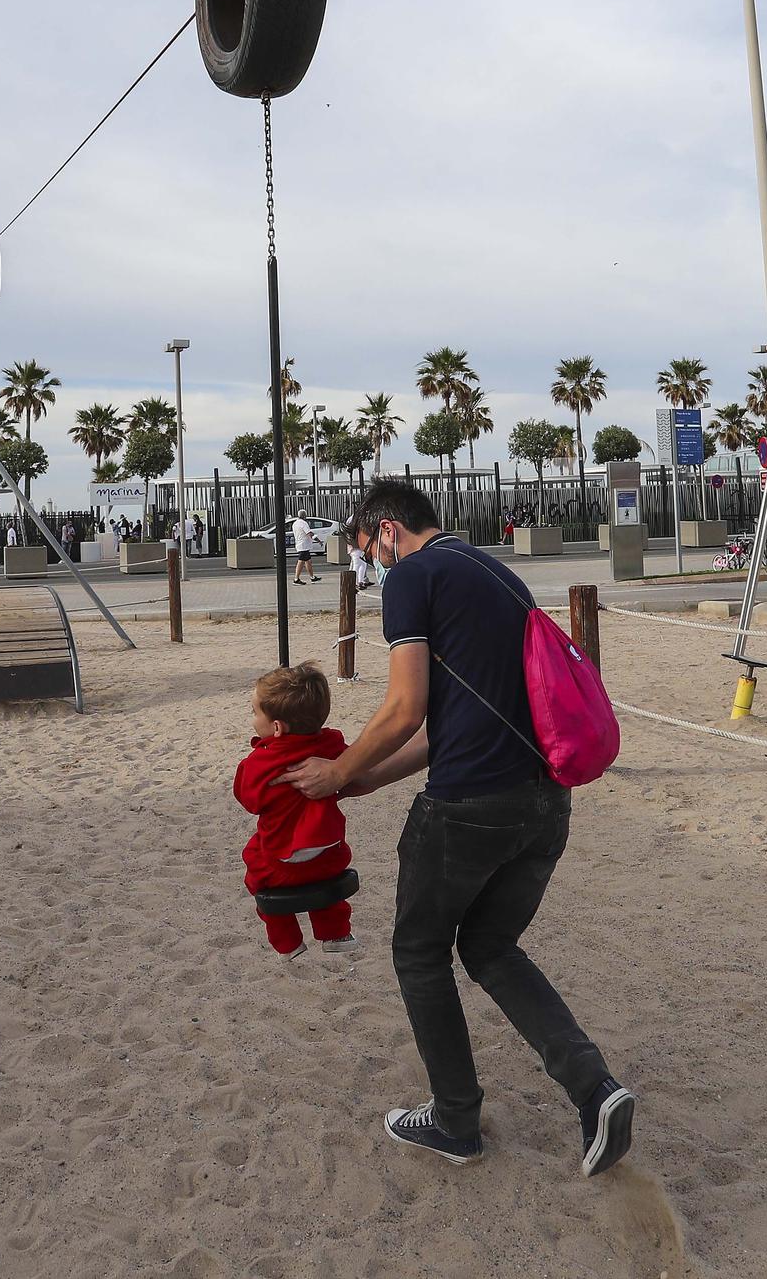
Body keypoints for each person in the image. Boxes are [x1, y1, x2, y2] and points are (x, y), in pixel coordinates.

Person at [278, 480, 633, 1176]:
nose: (373, 570)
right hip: (543, 804)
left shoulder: (414, 575)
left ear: (386, 530)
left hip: (469, 809)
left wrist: (332, 770)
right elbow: (456, 722)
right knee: (491, 945)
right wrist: (367, 776)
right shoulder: (491, 570)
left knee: (417, 951)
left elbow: (405, 706)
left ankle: (455, 1118)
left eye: (367, 553)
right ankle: (596, 1090)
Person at [234, 663, 358, 961]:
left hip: (282, 860)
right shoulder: (332, 743)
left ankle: (288, 943)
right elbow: (353, 765)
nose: (252, 720)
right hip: (329, 854)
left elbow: (250, 801)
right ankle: (336, 933)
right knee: (326, 874)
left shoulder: (262, 763)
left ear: (276, 727)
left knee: (254, 866)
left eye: (254, 713)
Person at [291, 514, 318, 586]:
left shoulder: (295, 523)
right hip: (304, 545)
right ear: (304, 516)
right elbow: (309, 533)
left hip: (300, 544)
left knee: (308, 561)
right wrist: (318, 540)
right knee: (301, 561)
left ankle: (312, 577)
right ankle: (296, 579)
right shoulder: (303, 523)